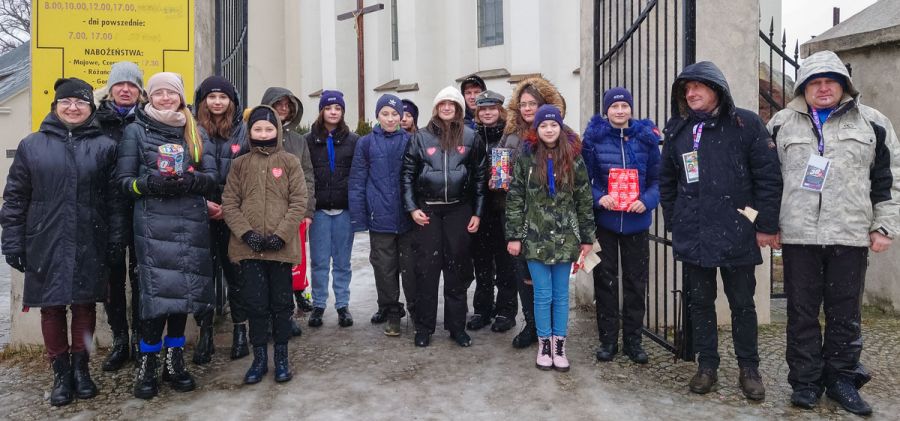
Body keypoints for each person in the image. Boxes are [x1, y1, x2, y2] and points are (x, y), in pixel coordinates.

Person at [767, 50, 900, 416]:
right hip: (798, 236)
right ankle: (806, 382)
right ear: (803, 89)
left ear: (844, 85)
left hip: (850, 234)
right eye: (815, 82)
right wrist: (768, 224)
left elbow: (888, 180)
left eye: (830, 81)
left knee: (845, 314)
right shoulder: (781, 124)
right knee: (801, 313)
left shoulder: (872, 123)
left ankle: (841, 379)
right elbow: (767, 180)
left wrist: (885, 225)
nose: (823, 88)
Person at [659, 62, 782, 401]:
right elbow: (667, 182)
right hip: (694, 233)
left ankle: (749, 367)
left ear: (718, 90)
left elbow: (768, 178)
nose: (691, 93)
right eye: (687, 89)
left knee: (743, 303)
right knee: (700, 302)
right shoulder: (679, 130)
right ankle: (707, 365)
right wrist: (675, 220)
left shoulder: (746, 124)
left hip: (737, 231)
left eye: (699, 86)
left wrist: (765, 225)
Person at [1, 78, 124, 406]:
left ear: (90, 108)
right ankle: (60, 372)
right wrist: (12, 241)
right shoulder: (33, 145)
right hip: (46, 239)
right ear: (55, 106)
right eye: (66, 102)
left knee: (85, 306)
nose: (73, 107)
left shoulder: (105, 147)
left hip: (89, 238)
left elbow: (114, 201)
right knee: (52, 308)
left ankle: (82, 370)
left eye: (80, 102)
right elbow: (15, 198)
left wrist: (115, 240)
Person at [116, 72, 218, 399]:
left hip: (190, 221)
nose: (164, 98)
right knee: (155, 295)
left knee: (183, 293)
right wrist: (149, 185)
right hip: (152, 224)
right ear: (149, 97)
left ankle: (175, 360)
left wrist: (191, 181)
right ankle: (149, 361)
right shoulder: (135, 130)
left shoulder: (194, 130)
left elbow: (212, 178)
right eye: (158, 93)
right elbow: (124, 182)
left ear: (179, 96)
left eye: (170, 93)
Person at [222, 105, 308, 384]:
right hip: (249, 249)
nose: (263, 133)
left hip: (280, 250)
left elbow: (298, 202)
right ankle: (259, 359)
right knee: (256, 304)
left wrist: (281, 235)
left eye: (268, 128)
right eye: (257, 129)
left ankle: (281, 358)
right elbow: (230, 203)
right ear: (250, 132)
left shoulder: (289, 162)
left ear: (278, 130)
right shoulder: (240, 164)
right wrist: (246, 234)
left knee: (281, 305)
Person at [505, 104, 594, 372]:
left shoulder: (574, 157)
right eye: (543, 125)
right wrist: (514, 235)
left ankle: (559, 345)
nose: (549, 129)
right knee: (542, 295)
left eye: (553, 124)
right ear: (537, 129)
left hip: (565, 237)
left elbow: (584, 198)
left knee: (560, 295)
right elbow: (516, 197)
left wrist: (587, 236)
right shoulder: (526, 157)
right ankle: (544, 344)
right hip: (534, 237)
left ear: (560, 126)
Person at [401, 86, 487, 348]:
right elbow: (407, 175)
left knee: (456, 271)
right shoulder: (421, 137)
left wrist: (478, 213)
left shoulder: (471, 137)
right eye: (443, 104)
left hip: (458, 211)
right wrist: (412, 208)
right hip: (428, 211)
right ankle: (424, 327)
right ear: (436, 108)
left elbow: (481, 179)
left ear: (459, 108)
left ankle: (456, 327)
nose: (447, 108)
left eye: (452, 104)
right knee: (426, 271)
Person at [581, 87, 660, 364]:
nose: (619, 111)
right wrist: (600, 197)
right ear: (606, 111)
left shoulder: (646, 140)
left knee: (636, 284)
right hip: (606, 222)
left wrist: (647, 200)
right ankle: (607, 340)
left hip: (636, 223)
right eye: (614, 107)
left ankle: (633, 341)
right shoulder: (594, 140)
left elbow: (657, 180)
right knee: (606, 282)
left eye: (624, 106)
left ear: (631, 109)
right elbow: (584, 181)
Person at [501, 77, 568, 349]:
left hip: (551, 219)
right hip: (517, 214)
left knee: (552, 281)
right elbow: (501, 169)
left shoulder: (558, 132)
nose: (528, 108)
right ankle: (532, 325)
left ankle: (553, 331)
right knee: (524, 276)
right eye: (524, 104)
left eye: (533, 104)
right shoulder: (511, 134)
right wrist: (497, 178)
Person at [192, 75, 249, 364]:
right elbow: (186, 171)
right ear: (203, 101)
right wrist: (203, 203)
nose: (217, 102)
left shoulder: (242, 131)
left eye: (223, 97)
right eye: (211, 97)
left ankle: (241, 329)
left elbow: (249, 175)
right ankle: (205, 333)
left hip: (232, 213)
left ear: (231, 101)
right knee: (203, 274)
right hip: (199, 212)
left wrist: (229, 206)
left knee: (235, 272)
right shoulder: (190, 130)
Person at [349, 94, 415, 336]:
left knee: (410, 267)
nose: (390, 118)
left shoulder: (410, 140)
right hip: (380, 218)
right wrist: (359, 216)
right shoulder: (366, 144)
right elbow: (357, 181)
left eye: (394, 114)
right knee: (384, 269)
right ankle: (392, 311)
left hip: (408, 218)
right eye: (385, 113)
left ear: (401, 117)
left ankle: (416, 309)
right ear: (377, 115)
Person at [94, 61, 145, 371]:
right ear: (111, 88)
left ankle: (141, 338)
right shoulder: (95, 121)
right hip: (105, 212)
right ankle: (120, 340)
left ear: (140, 91)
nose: (125, 89)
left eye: (132, 85)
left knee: (141, 280)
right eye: (120, 84)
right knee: (112, 282)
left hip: (141, 210)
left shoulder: (147, 120)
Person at [261, 87, 317, 334]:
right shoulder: (255, 134)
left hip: (292, 213)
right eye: (278, 104)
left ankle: (285, 317)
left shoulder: (297, 140)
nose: (283, 109)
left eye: (287, 105)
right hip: (263, 213)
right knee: (268, 267)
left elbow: (307, 175)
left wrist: (307, 210)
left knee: (290, 266)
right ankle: (267, 318)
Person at [304, 90, 359, 327]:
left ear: (343, 112)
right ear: (322, 111)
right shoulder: (309, 140)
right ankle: (318, 304)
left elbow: (357, 175)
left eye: (338, 108)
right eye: (329, 108)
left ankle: (342, 305)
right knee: (318, 261)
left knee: (342, 261)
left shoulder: (353, 140)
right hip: (319, 211)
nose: (333, 112)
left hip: (344, 210)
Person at [468, 90, 518, 333]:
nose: (488, 113)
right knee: (482, 263)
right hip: (478, 209)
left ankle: (506, 311)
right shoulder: (471, 135)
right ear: (477, 112)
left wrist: (508, 179)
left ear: (500, 110)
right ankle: (482, 309)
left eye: (492, 108)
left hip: (504, 207)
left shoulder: (510, 135)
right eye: (483, 109)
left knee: (506, 262)